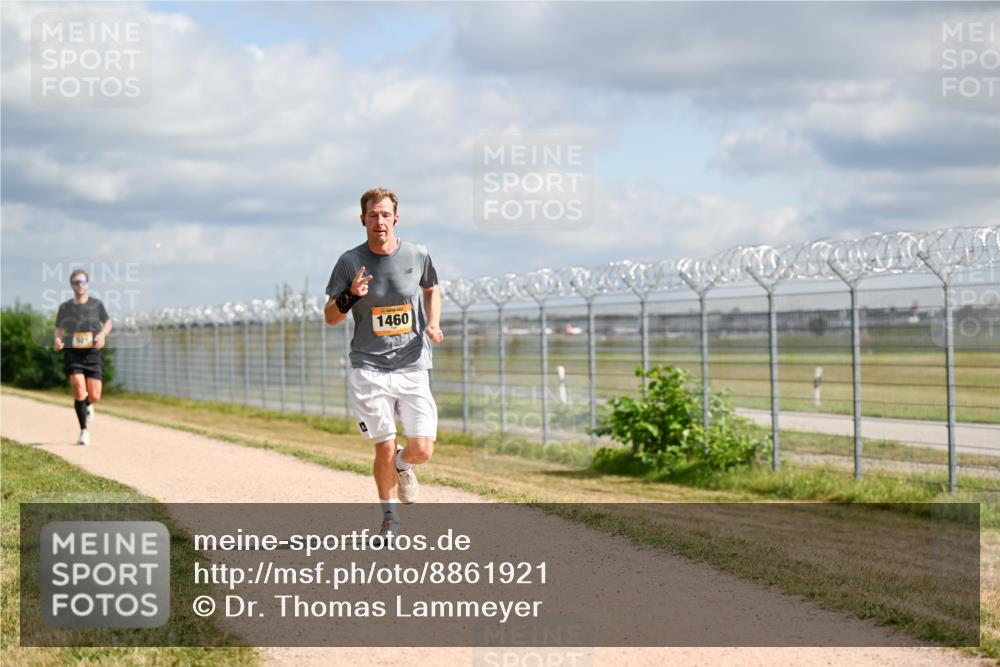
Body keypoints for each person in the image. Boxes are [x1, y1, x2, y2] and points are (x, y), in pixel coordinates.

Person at [324, 187, 444, 540]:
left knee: (422, 448)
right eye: (373, 215)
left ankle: (404, 467)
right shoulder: (349, 262)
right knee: (385, 444)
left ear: (396, 218)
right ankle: (390, 519)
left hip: (412, 363)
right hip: (369, 367)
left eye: (385, 214)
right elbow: (331, 317)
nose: (379, 221)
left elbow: (431, 288)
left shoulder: (418, 254)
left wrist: (433, 322)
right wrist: (350, 295)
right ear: (363, 220)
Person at [54, 269, 112, 445]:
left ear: (87, 284)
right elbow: (58, 328)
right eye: (77, 282)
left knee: (94, 395)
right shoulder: (65, 307)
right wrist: (57, 340)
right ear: (72, 285)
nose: (80, 285)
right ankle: (84, 431)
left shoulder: (96, 304)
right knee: (79, 388)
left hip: (92, 353)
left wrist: (102, 335)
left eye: (83, 281)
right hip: (73, 352)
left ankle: (88, 404)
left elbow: (108, 322)